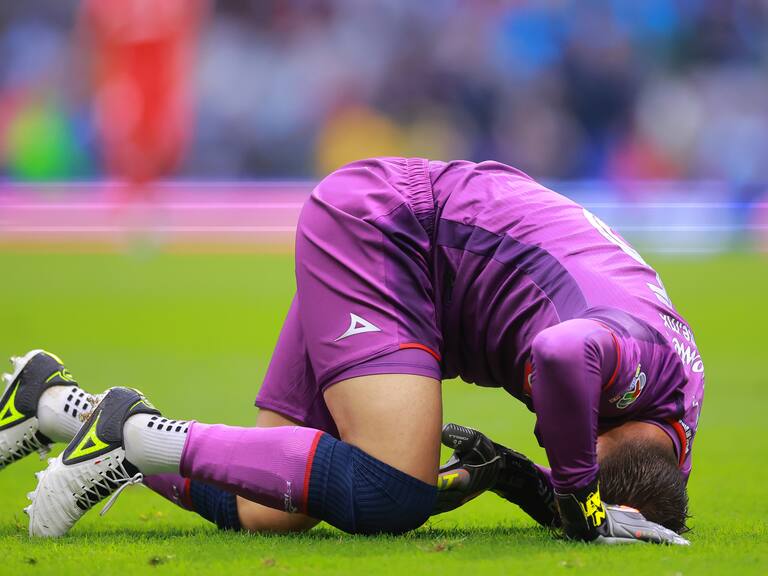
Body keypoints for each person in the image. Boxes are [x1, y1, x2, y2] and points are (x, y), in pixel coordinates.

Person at [2, 158, 702, 544]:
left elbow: (612, 458)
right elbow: (559, 355)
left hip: (410, 260)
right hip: (394, 229)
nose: (556, 446)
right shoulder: (640, 365)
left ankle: (55, 404)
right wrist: (581, 499)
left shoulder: (661, 447)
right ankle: (126, 430)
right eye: (567, 451)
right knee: (392, 489)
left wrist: (537, 487)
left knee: (274, 504)